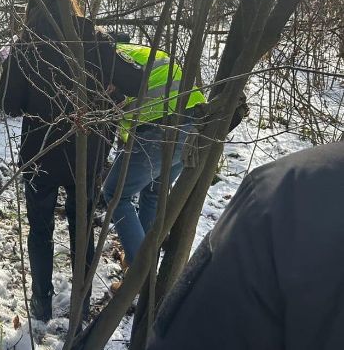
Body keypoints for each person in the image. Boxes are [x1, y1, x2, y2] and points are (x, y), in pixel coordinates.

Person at [0, 0, 144, 322]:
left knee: (40, 228)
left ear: (35, 0)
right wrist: (111, 96)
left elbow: (6, 104)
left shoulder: (27, 45)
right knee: (82, 229)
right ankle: (81, 300)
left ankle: (42, 301)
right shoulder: (94, 38)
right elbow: (137, 81)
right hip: (86, 153)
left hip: (40, 152)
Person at [147, 142, 344, 350]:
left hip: (157, 135)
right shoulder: (290, 194)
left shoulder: (287, 194)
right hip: (169, 136)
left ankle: (140, 267)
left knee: (130, 195)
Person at [102, 44, 206, 269]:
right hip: (195, 126)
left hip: (160, 129)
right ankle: (142, 276)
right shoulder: (130, 51)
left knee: (115, 194)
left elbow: (114, 106)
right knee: (153, 193)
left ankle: (140, 273)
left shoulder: (101, 58)